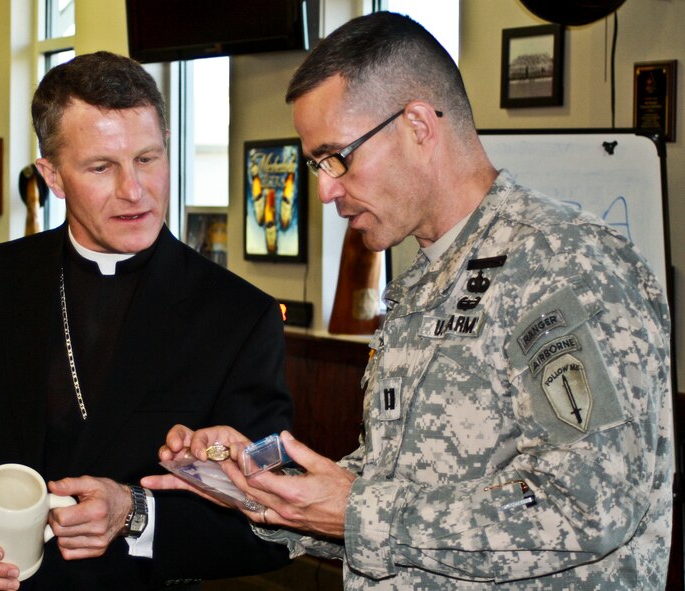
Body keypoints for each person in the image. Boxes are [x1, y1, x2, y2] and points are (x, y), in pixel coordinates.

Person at [143, 12, 674, 589]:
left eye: (336, 156)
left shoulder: (562, 265)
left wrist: (358, 513)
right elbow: (396, 477)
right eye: (316, 164)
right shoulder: (427, 280)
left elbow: (586, 506)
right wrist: (260, 480)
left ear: (418, 125)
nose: (324, 189)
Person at [0, 51, 292, 590]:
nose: (134, 190)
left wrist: (136, 517)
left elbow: (272, 525)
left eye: (148, 159)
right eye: (102, 167)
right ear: (53, 176)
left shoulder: (239, 316)